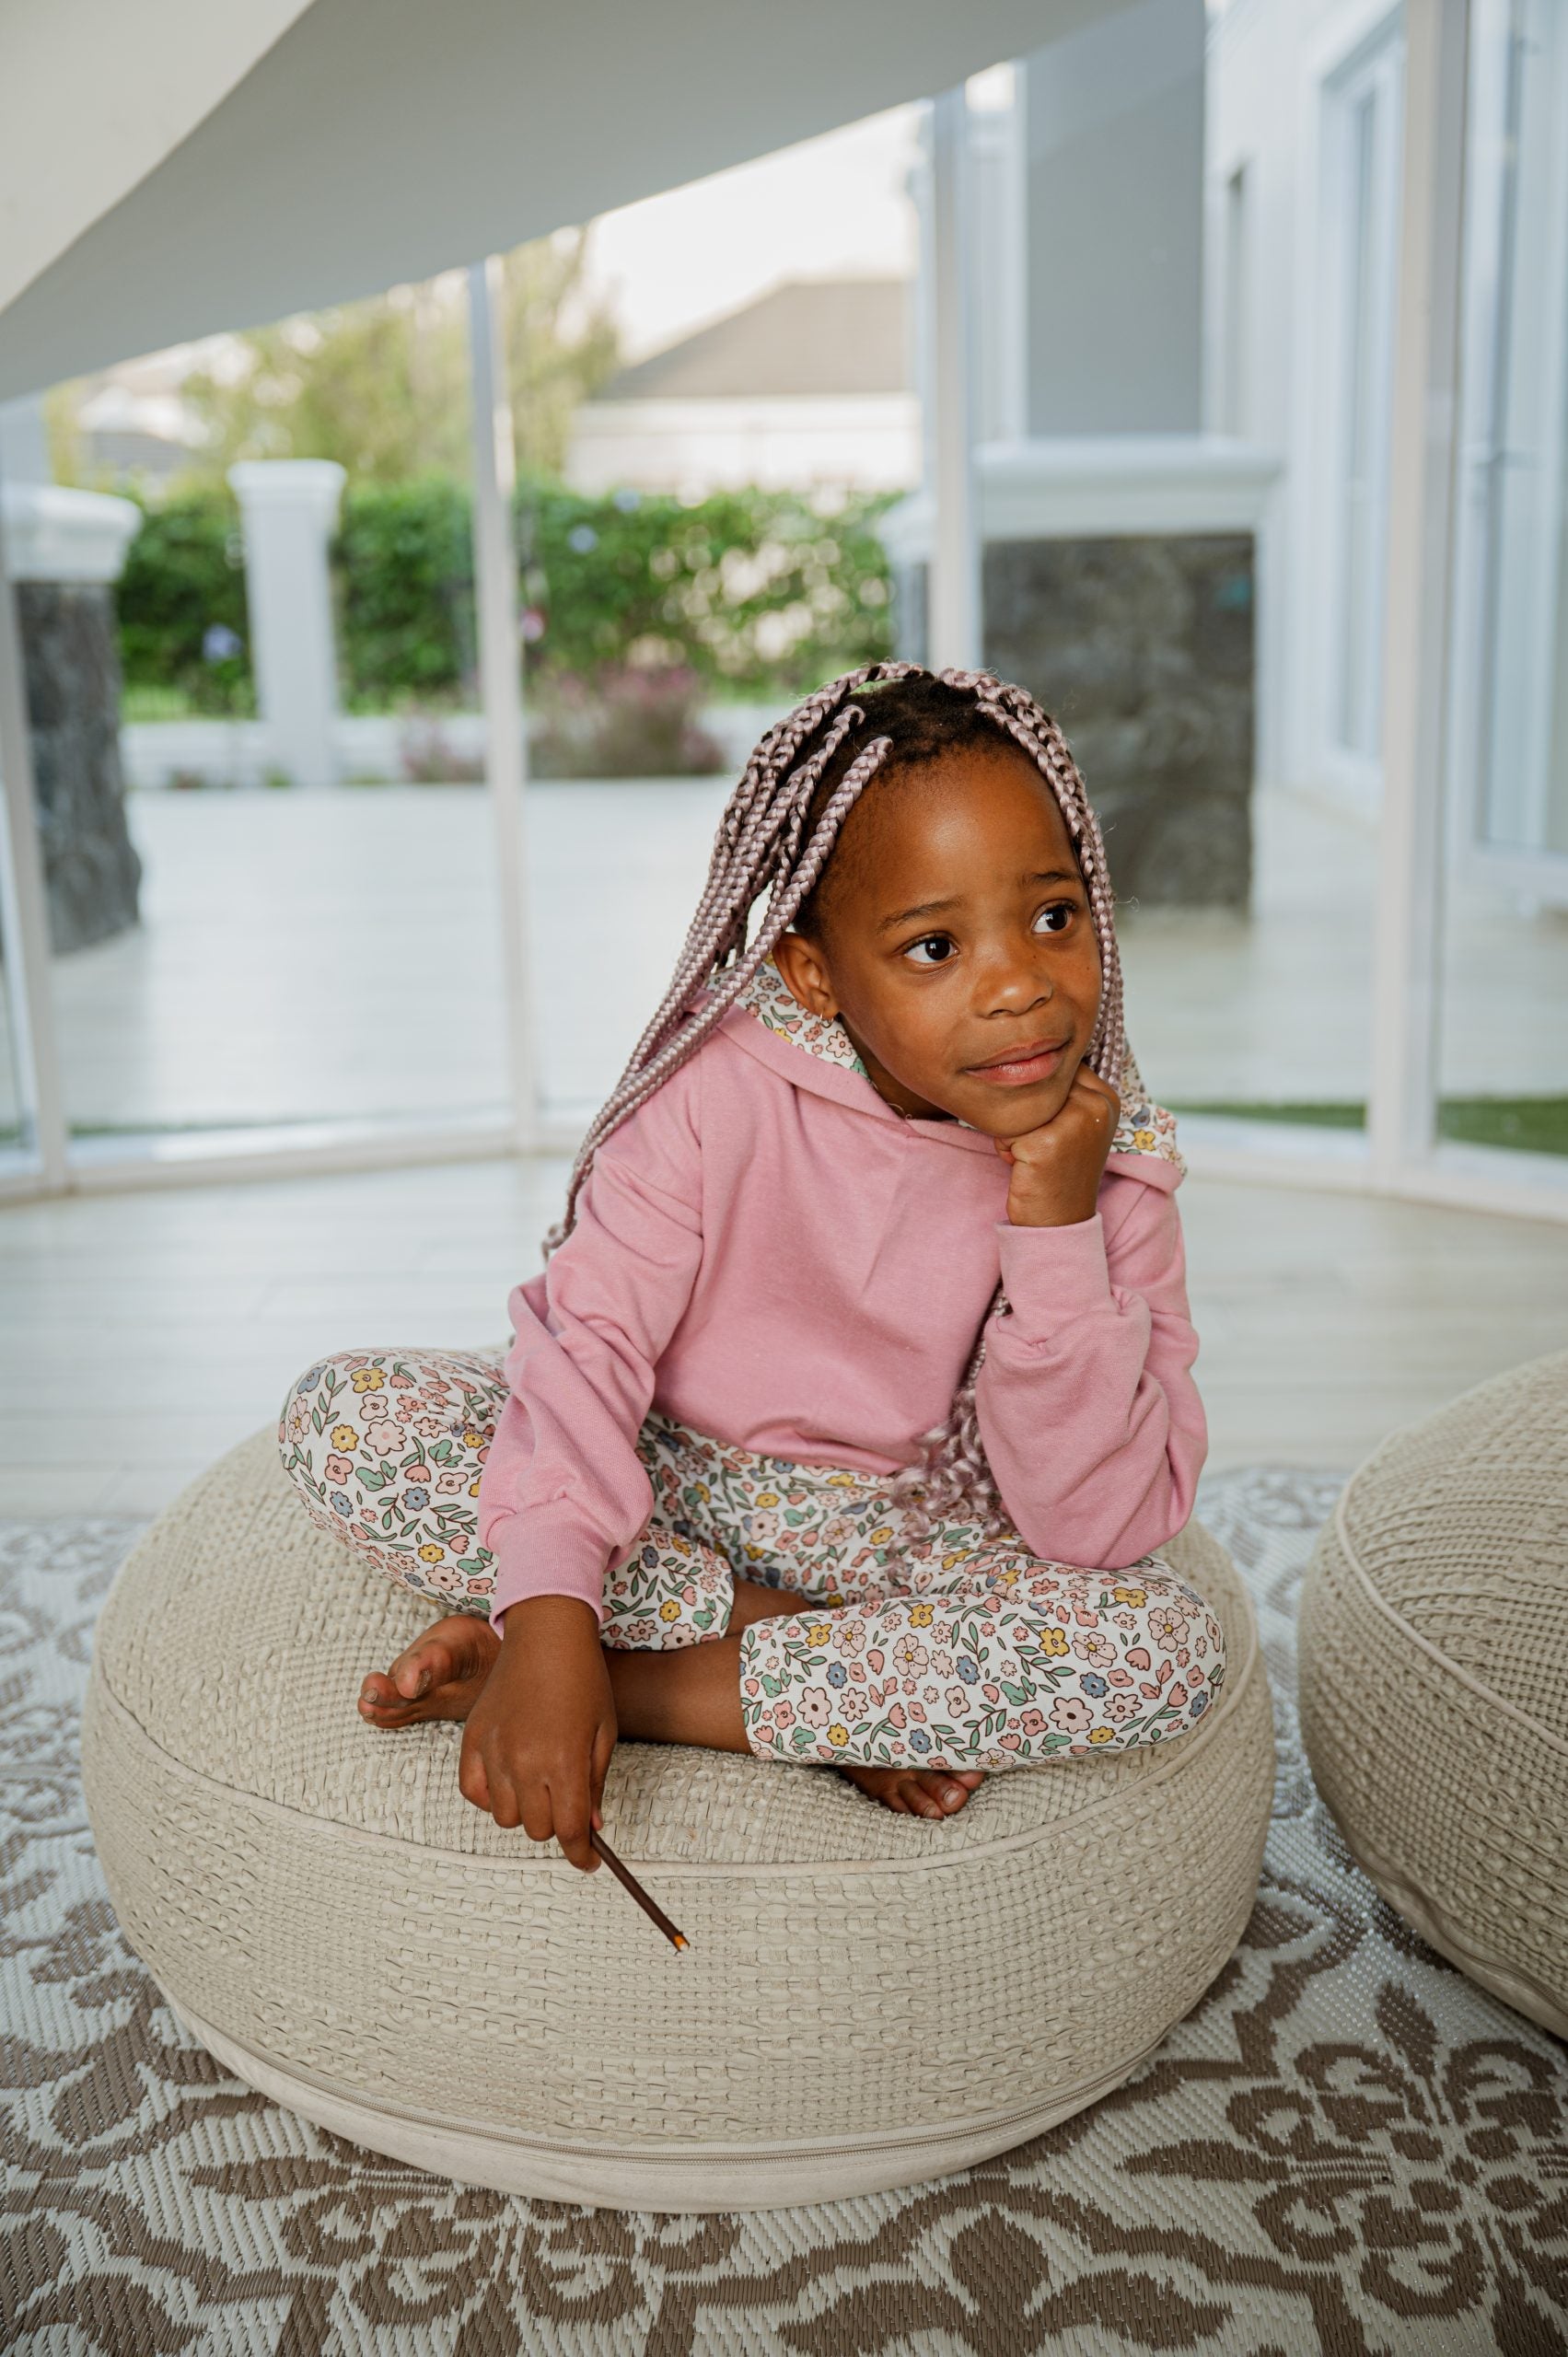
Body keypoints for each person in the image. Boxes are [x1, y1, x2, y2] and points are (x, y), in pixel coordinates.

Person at [278, 663, 1224, 1875]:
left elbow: (1100, 1527)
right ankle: (812, 1675)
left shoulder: (1113, 1157)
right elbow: (587, 1348)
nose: (1019, 985)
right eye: (935, 945)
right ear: (812, 973)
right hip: (675, 1481)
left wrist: (1055, 1228)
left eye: (1054, 917)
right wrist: (554, 1607)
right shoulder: (711, 1087)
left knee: (1158, 1644)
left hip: (913, 1536)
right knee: (347, 1415)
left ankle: (648, 1686)